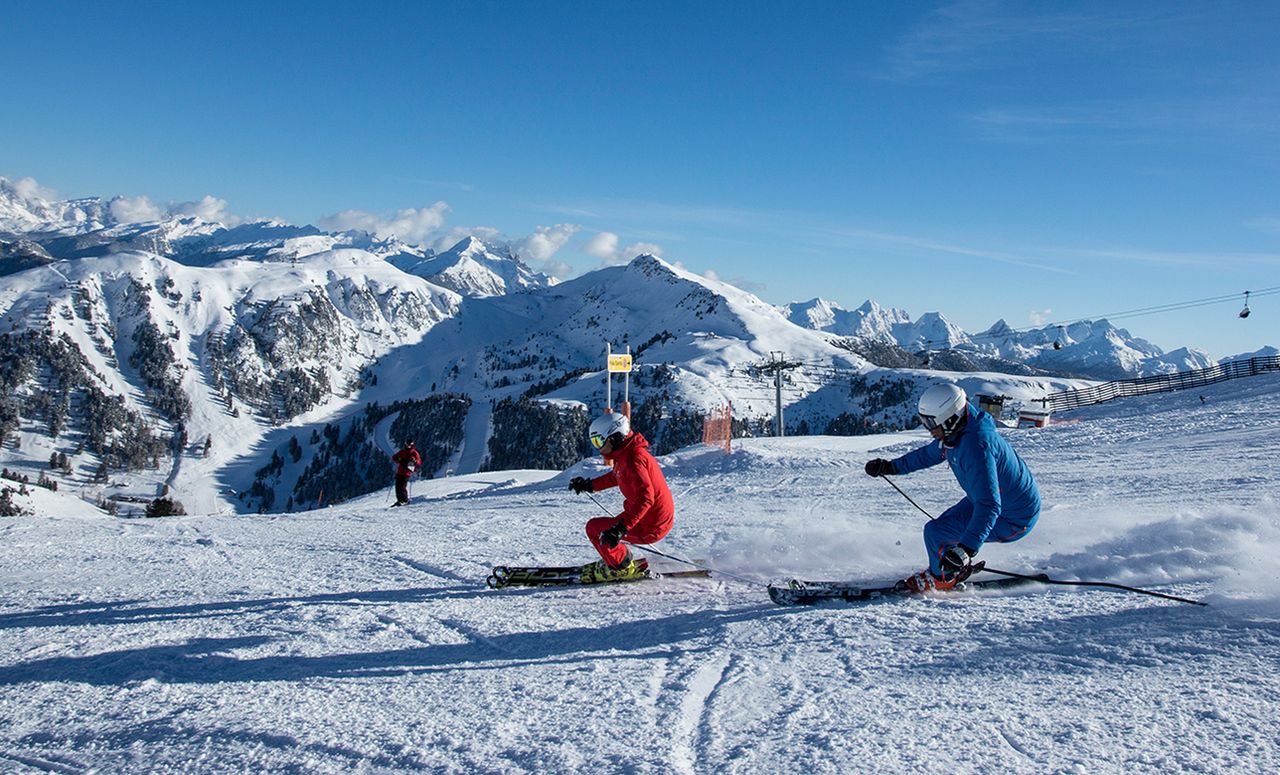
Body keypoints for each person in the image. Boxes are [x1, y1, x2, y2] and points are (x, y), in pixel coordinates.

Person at [864, 383, 1040, 593]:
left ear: (950, 417)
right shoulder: (956, 432)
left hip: (1013, 517)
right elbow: (927, 455)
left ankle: (943, 578)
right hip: (989, 501)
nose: (929, 429)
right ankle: (952, 569)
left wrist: (966, 549)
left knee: (937, 533)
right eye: (924, 421)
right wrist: (890, 467)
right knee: (939, 531)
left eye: (931, 423)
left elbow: (990, 505)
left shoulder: (976, 446)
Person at [568, 412, 675, 582]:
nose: (598, 447)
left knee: (595, 529)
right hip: (651, 519)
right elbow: (617, 476)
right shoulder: (627, 455)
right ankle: (618, 558)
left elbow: (646, 498)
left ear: (615, 437)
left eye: (599, 441)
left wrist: (619, 529)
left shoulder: (633, 459)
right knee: (602, 529)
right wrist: (589, 485)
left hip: (651, 525)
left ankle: (621, 567)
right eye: (594, 442)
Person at [391, 439, 422, 507]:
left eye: (409, 445)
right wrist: (400, 460)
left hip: (406, 473)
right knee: (398, 487)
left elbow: (419, 461)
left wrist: (414, 461)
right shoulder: (403, 452)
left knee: (402, 487)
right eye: (407, 445)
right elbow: (394, 457)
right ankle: (400, 500)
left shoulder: (414, 453)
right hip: (400, 472)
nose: (408, 446)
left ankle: (404, 500)